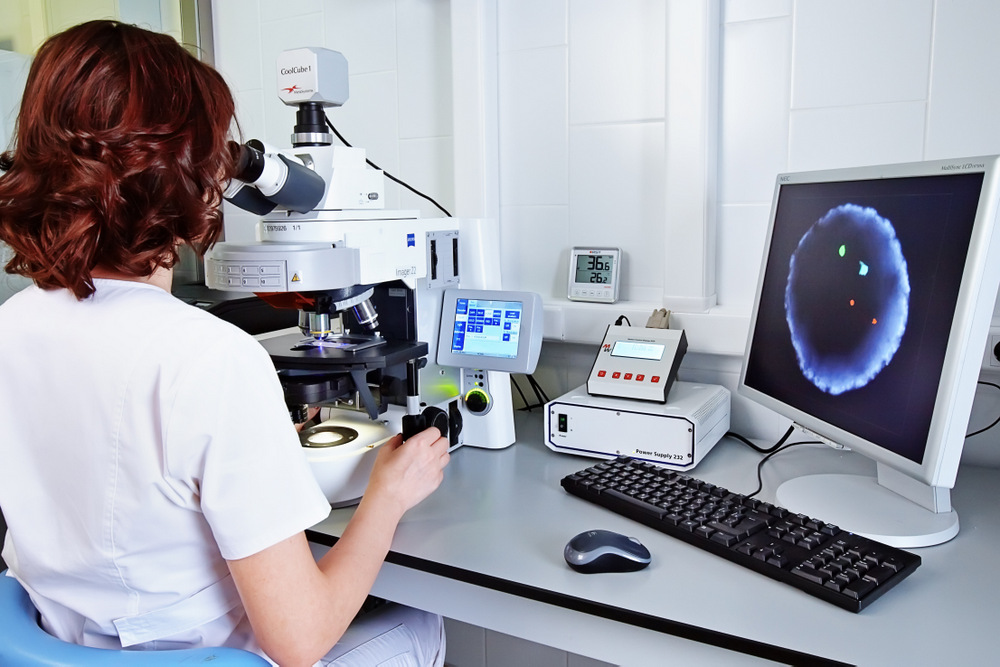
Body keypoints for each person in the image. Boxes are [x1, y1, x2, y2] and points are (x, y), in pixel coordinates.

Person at [0, 20, 450, 667]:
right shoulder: (207, 358)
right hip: (213, 658)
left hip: (59, 648)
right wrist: (388, 497)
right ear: (190, 174)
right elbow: (300, 639)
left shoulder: (12, 324)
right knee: (421, 620)